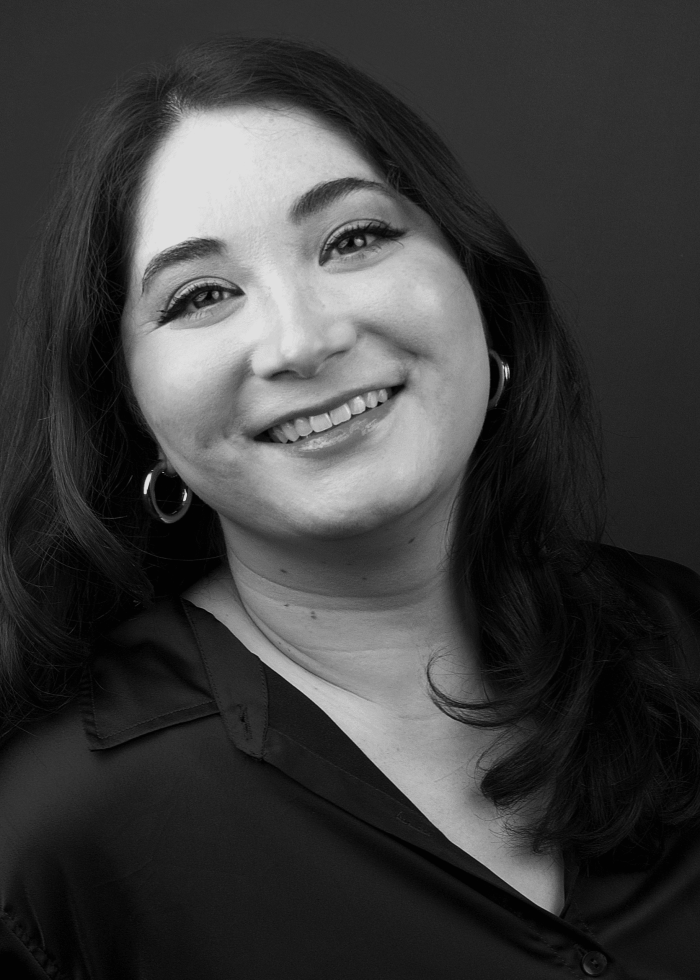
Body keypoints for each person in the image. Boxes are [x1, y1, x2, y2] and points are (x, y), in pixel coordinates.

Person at [0, 34, 698, 980]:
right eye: (201, 296)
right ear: (130, 410)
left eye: (354, 239)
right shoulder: (55, 839)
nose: (303, 340)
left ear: (478, 289)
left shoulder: (682, 640)